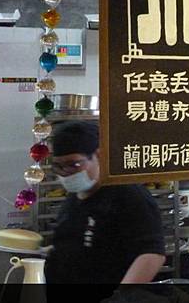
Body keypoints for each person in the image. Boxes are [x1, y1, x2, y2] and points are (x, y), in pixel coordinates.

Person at [44, 121, 166, 284]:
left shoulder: (128, 195)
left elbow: (151, 254)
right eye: (58, 167)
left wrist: (121, 294)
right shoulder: (73, 198)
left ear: (100, 156)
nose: (66, 173)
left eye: (74, 165)